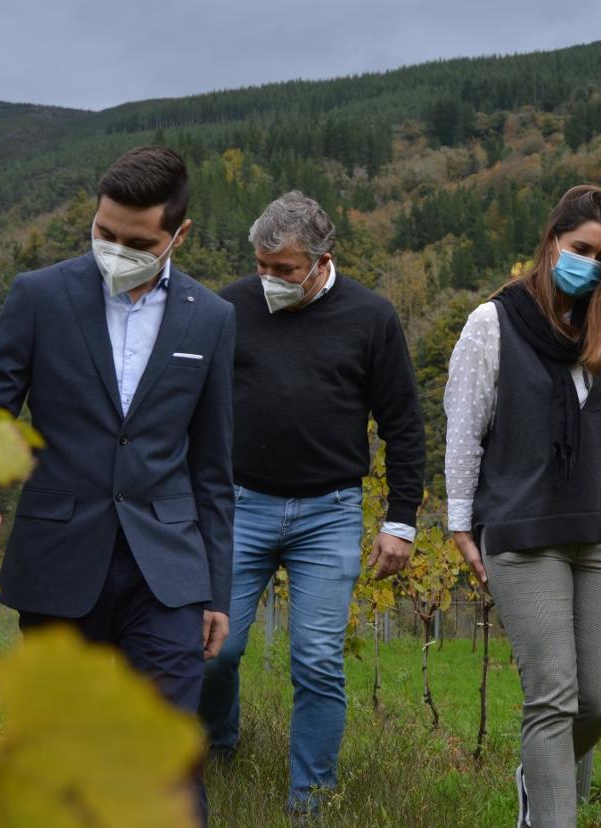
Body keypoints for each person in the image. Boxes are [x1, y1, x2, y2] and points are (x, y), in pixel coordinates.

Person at [0, 145, 235, 720]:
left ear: (180, 235)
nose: (117, 252)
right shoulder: (39, 296)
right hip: (61, 559)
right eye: (106, 233)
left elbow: (212, 466)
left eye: (139, 244)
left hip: (168, 574)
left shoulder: (211, 318)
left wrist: (215, 592)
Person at [444, 185, 601, 828]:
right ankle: (548, 814)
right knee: (553, 699)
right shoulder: (493, 322)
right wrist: (461, 520)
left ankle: (537, 776)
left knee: (597, 701)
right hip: (521, 530)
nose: (590, 267)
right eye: (580, 250)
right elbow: (464, 426)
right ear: (551, 242)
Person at [198, 191, 426, 817]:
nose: (269, 280)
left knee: (318, 659)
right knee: (216, 648)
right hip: (241, 505)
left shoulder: (371, 318)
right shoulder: (229, 307)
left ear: (323, 261)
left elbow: (403, 423)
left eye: (285, 269)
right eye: (262, 266)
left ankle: (310, 800)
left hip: (328, 513)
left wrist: (400, 521)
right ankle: (218, 743)